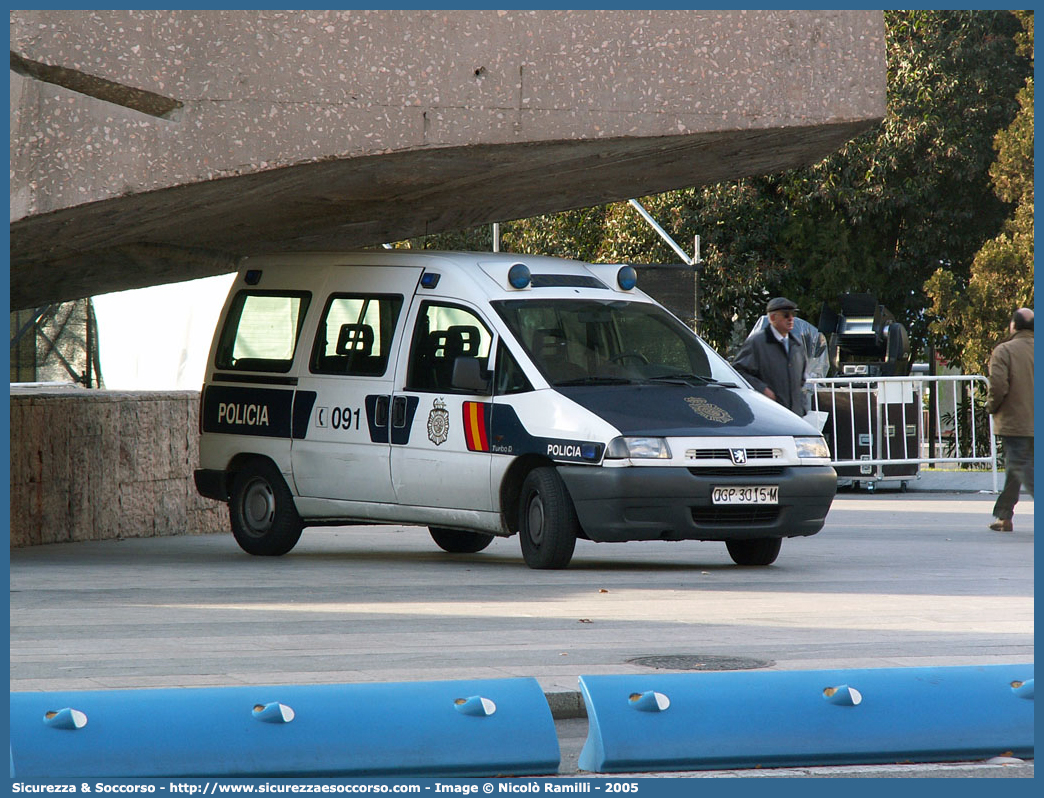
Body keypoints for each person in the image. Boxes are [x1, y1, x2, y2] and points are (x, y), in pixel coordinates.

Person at [987, 307, 1034, 532]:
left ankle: (1004, 516)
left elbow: (997, 386)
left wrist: (991, 407)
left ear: (1013, 326)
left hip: (1017, 422)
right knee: (1016, 469)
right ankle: (1004, 515)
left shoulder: (1004, 351)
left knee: (1023, 470)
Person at [733, 297, 807, 414]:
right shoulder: (757, 343)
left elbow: (801, 380)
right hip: (770, 413)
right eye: (786, 315)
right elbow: (739, 372)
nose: (791, 319)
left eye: (793, 314)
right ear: (772, 318)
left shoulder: (797, 345)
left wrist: (802, 406)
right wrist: (763, 390)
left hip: (794, 416)